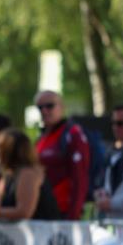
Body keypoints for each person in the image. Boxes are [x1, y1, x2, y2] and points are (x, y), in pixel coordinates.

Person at [0, 128, 61, 221]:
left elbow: (24, 212)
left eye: (0, 147)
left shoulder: (28, 173)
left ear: (10, 150)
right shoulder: (8, 176)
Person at [33, 91, 91, 220]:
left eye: (49, 106)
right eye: (40, 107)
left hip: (63, 211)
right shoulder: (41, 138)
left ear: (62, 107)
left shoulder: (73, 134)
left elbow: (80, 177)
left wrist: (74, 214)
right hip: (42, 210)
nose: (44, 111)